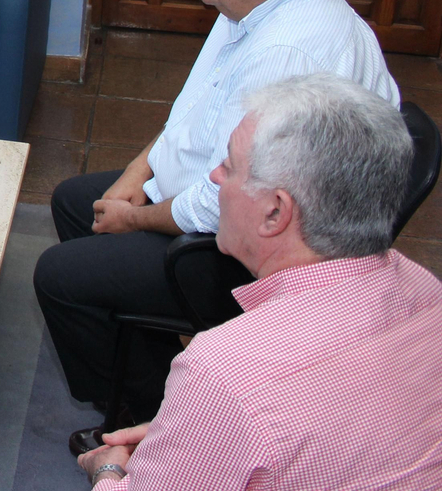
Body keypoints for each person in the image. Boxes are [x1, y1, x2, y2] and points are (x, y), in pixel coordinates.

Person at [33, 0, 399, 449]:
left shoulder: (287, 51)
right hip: (228, 193)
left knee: (60, 276)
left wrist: (136, 218)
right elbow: (190, 116)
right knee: (76, 201)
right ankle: (151, 365)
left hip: (256, 247)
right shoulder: (247, 6)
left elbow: (216, 203)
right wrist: (135, 179)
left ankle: (151, 423)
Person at [77, 73, 442, 489]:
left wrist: (108, 469)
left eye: (230, 166)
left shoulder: (223, 372)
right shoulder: (426, 289)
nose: (214, 176)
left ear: (275, 212)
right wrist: (195, 436)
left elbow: (244, 401)